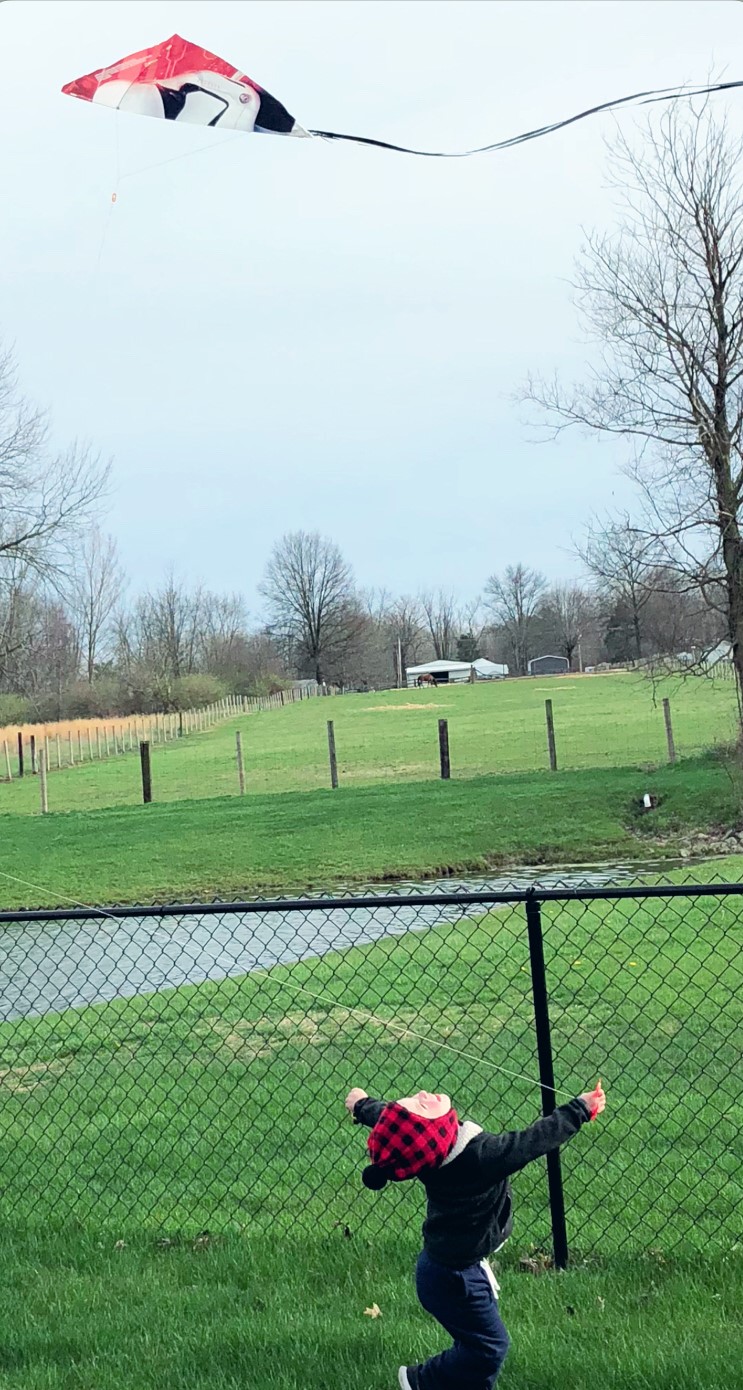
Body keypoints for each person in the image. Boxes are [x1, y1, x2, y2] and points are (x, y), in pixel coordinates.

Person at [345, 1080, 606, 1390]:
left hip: (445, 1270)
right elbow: (532, 1141)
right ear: (432, 1132)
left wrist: (362, 1106)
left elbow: (394, 1125)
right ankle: (420, 1381)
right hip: (456, 1280)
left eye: (415, 1099)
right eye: (421, 1105)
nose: (423, 1094)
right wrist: (580, 1108)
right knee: (489, 1348)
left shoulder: (425, 1152)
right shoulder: (483, 1157)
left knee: (479, 1345)